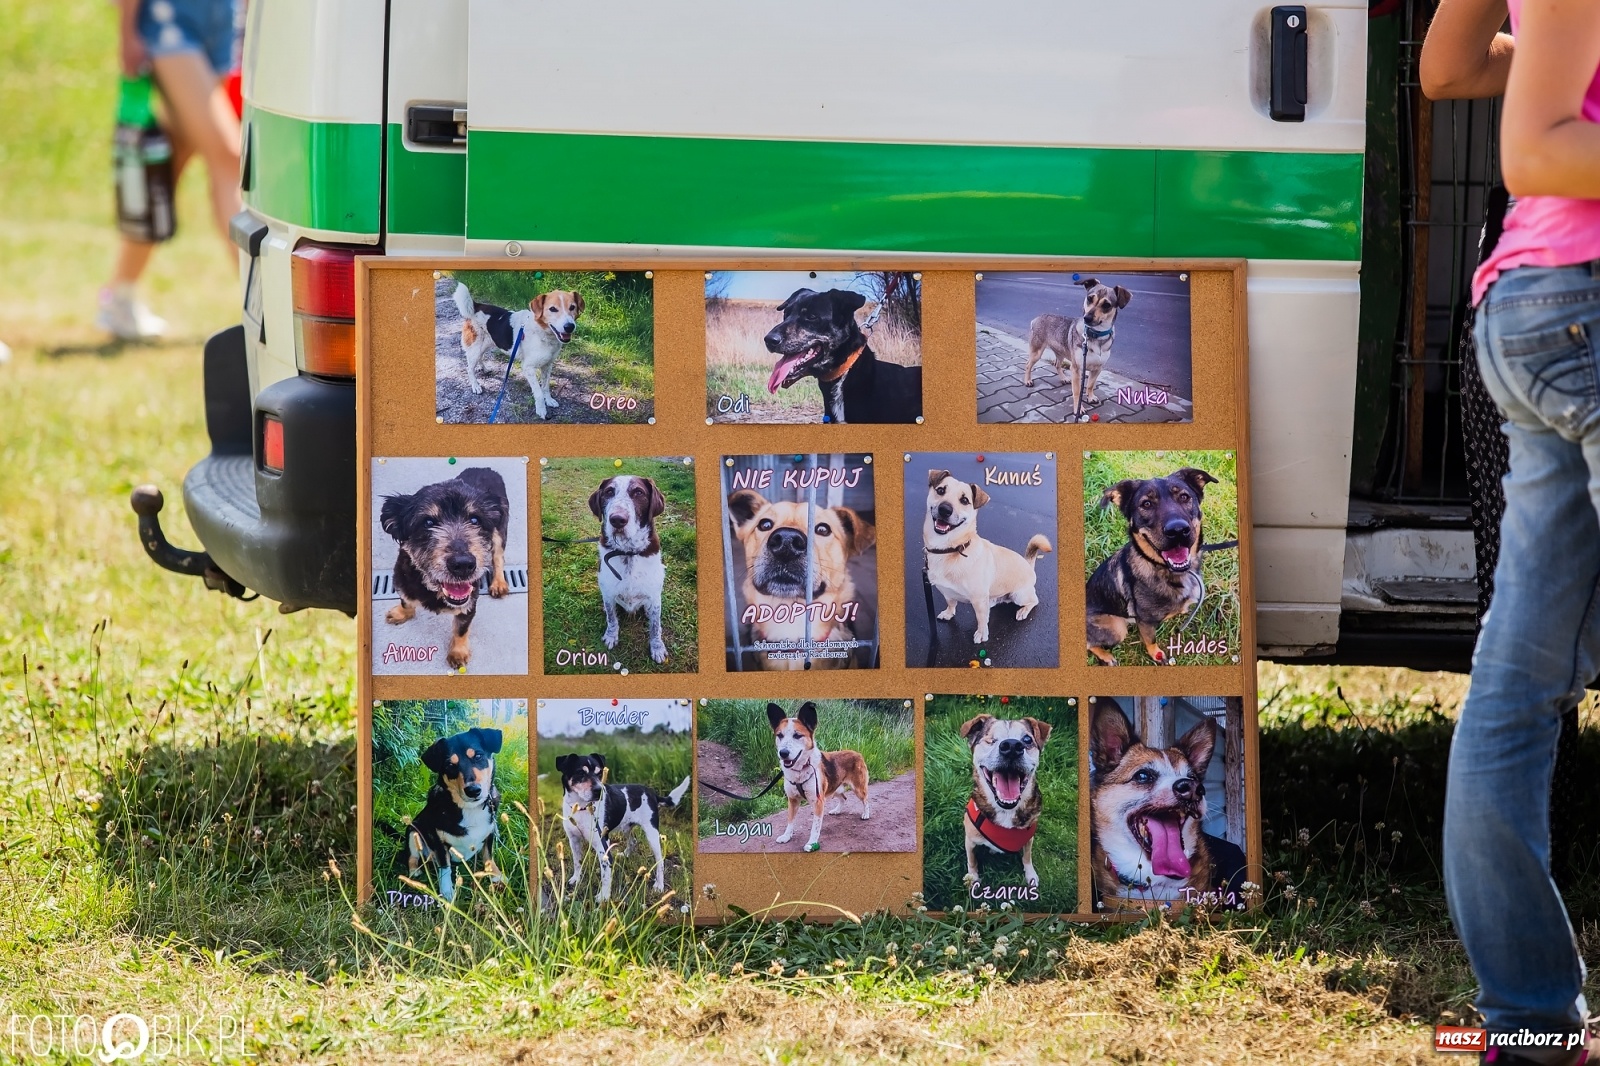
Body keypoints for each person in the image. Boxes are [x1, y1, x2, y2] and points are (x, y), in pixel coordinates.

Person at [1432, 0, 1600, 1061]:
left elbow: (1447, 63)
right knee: (1515, 690)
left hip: (1535, 310)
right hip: (1582, 301)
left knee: (1514, 686)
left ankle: (1531, 1023)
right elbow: (1534, 145)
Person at [98, 0, 242, 341]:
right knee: (228, 156)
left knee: (166, 171)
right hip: (169, 22)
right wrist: (127, 31)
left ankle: (119, 296)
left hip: (223, 22)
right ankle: (262, 303)